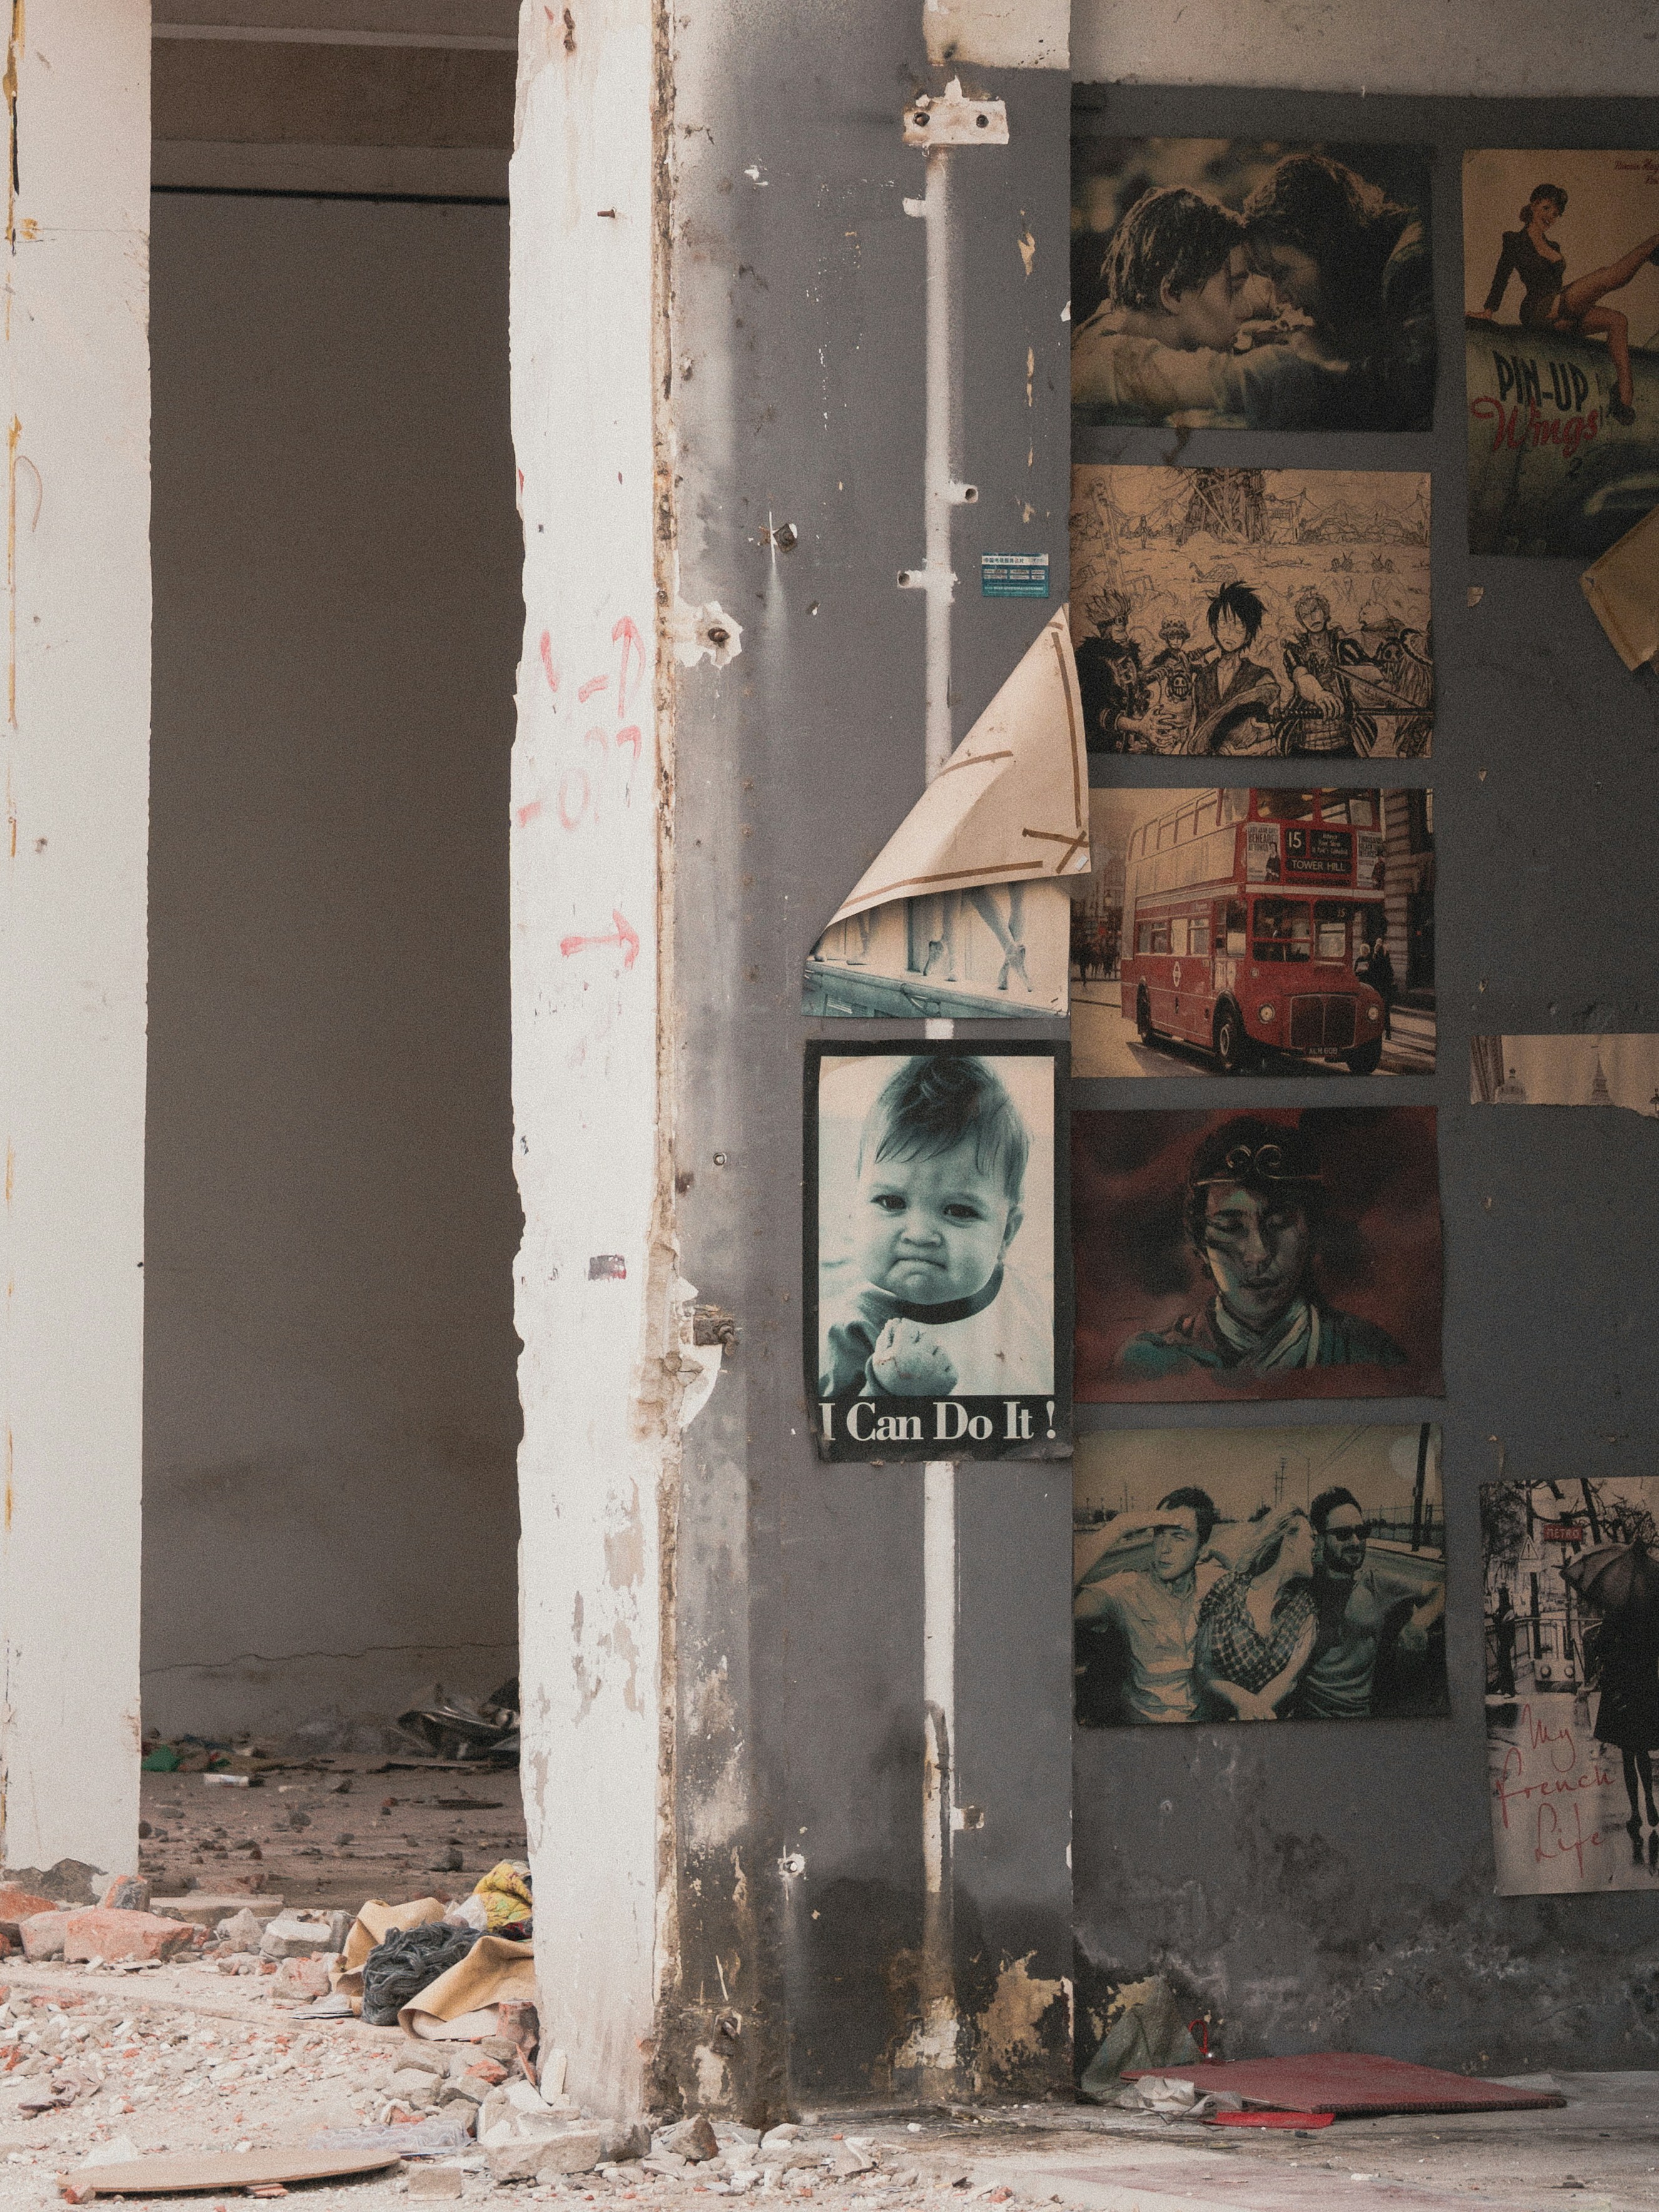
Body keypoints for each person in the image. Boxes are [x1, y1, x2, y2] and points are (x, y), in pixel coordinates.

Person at [818, 1055, 1049, 1402]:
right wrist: (889, 1391)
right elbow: (831, 1440)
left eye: (958, 1210)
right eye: (891, 1202)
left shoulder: (1031, 1300)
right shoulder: (855, 1331)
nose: (919, 1234)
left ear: (1006, 1234)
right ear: (855, 1206)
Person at [1112, 1115, 1410, 1382]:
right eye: (1230, 1227)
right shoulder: (1151, 1361)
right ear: (1200, 1244)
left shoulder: (1369, 1355)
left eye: (1280, 1223)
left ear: (1311, 1231)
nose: (1259, 1254)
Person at [1240, 151, 1436, 432]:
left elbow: (1418, 390)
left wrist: (1321, 364)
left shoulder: (1411, 267)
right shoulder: (1384, 262)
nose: (1281, 297)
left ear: (1327, 244)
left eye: (1282, 273)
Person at [1472, 181, 1659, 425]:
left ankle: (1624, 399)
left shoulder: (1554, 246)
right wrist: (1488, 311)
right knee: (1606, 276)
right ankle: (1652, 245)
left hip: (1559, 312)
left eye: (1556, 213)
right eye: (1547, 208)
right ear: (1533, 206)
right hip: (1539, 308)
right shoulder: (1514, 241)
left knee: (1618, 320)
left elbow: (1559, 288)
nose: (1551, 216)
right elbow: (1501, 276)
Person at [1071, 186, 1258, 420]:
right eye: (1234, 289)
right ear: (1173, 294)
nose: (1247, 310)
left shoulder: (1109, 325)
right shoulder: (1106, 363)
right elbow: (1241, 381)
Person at [1073, 1488, 1224, 1725]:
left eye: (1178, 1536)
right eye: (1159, 1534)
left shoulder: (1214, 1583)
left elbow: (1261, 1579)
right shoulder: (1125, 1589)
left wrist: (1218, 1553)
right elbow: (1054, 1604)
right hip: (1145, 1726)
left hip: (1204, 1726)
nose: (1163, 1548)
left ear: (1201, 1547)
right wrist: (1120, 1526)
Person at [1293, 1487, 1444, 1720]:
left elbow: (1442, 1589)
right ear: (1321, 1537)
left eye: (1362, 1532)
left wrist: (1418, 1622)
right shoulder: (1305, 1582)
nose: (1356, 1541)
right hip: (1307, 1715)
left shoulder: (1377, 1584)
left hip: (1357, 1719)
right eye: (1343, 1534)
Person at [1194, 1506, 1319, 1720]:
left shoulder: (1305, 1609)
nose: (1316, 1545)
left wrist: (1253, 1713)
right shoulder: (1228, 1589)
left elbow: (1290, 1678)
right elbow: (1203, 1666)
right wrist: (1241, 1699)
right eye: (1311, 1537)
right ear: (1289, 1541)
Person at [1586, 1601, 1659, 1839]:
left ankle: (1635, 1812)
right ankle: (1650, 1800)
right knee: (1642, 1749)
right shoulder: (1649, 1611)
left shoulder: (1616, 1611)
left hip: (1622, 1686)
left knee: (1628, 1752)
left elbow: (1601, 1646)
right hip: (1645, 1686)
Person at [1277, 590, 1376, 759]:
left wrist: (1335, 665)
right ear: (1301, 621)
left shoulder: (1344, 645)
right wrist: (1319, 694)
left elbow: (1373, 674)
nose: (1312, 618)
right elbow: (1300, 676)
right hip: (1305, 737)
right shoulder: (1295, 649)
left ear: (1325, 612)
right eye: (1305, 615)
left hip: (1343, 736)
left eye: (1315, 610)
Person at [1187, 582, 1281, 754]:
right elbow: (1194, 729)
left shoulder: (1261, 678)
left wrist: (1242, 752)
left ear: (1248, 635)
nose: (1230, 632)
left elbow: (1275, 732)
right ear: (1214, 628)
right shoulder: (1202, 679)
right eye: (1224, 623)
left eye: (1239, 625)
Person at [1074, 591, 1149, 754]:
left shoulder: (1129, 660)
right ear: (1107, 632)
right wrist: (1136, 727)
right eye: (1120, 632)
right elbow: (1091, 711)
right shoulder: (1092, 662)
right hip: (1102, 748)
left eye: (1125, 631)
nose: (1126, 636)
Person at [1489, 1585, 1518, 1700]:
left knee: (1505, 1663)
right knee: (1503, 1663)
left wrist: (1495, 1618)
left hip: (1506, 1640)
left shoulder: (1506, 1610)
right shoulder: (1507, 1609)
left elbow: (1501, 1623)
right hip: (1506, 1639)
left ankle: (1509, 1690)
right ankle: (1505, 1687)